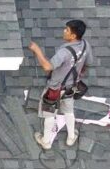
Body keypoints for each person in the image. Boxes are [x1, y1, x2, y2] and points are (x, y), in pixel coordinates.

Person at [27, 19, 92, 150]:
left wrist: (37, 50)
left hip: (54, 88)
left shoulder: (64, 52)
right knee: (69, 111)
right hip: (71, 88)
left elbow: (47, 67)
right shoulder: (85, 45)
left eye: (67, 30)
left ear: (73, 35)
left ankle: (46, 141)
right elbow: (87, 64)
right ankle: (71, 137)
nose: (64, 31)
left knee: (49, 114)